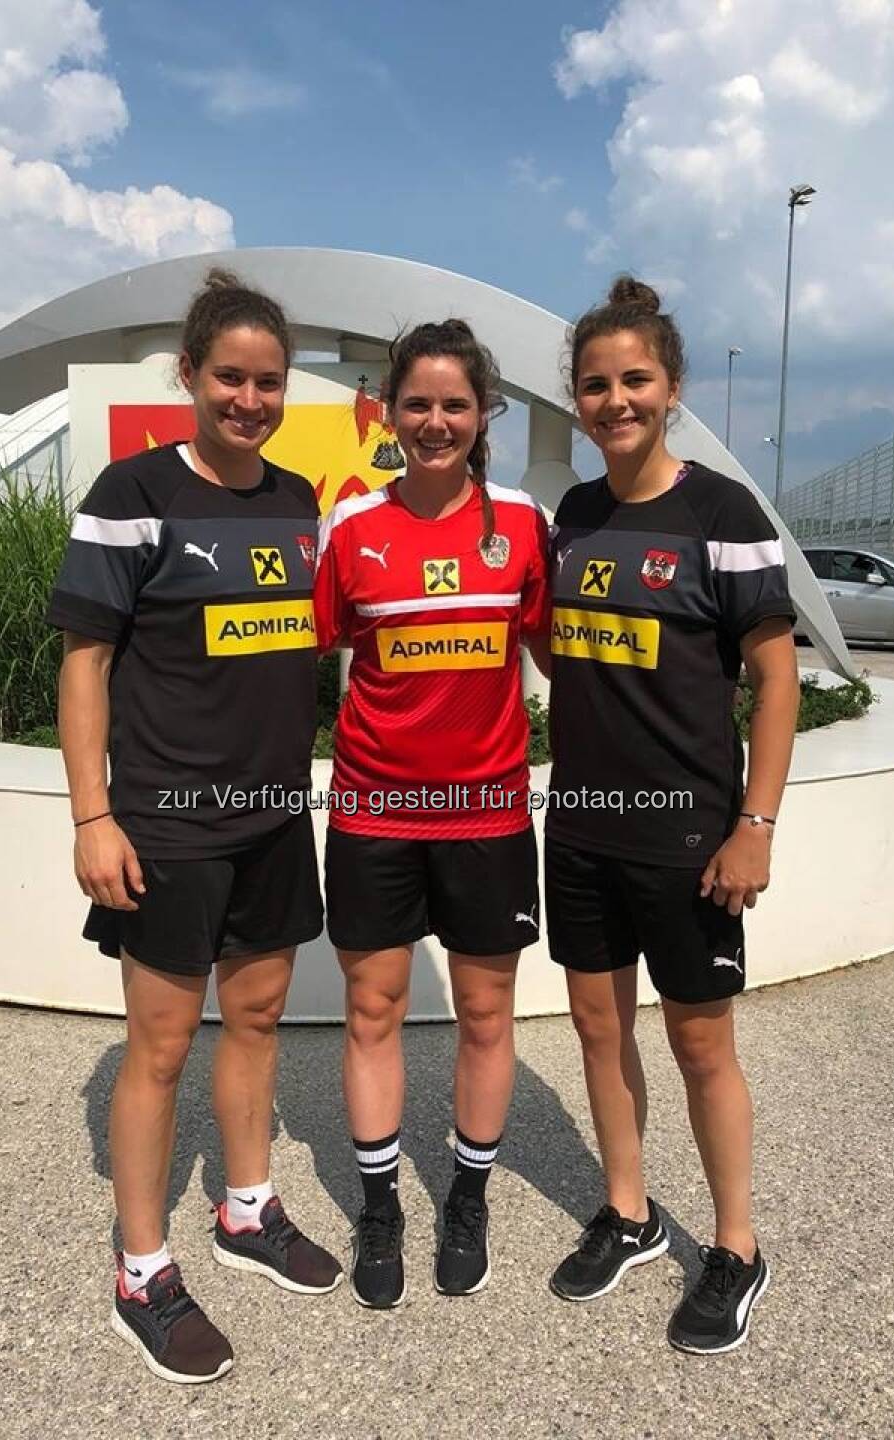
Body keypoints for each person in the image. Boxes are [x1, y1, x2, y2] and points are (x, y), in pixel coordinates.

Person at [47, 268, 341, 1386]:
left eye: (268, 382)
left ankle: (247, 1210)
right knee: (161, 1048)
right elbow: (85, 663)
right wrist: (93, 814)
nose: (249, 400)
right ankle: (141, 1272)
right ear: (189, 375)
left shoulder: (298, 501)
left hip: (273, 818)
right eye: (230, 377)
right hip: (166, 824)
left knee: (257, 1020)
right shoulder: (131, 492)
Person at [542, 277, 799, 1354]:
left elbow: (776, 680)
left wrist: (755, 826)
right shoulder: (574, 515)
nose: (616, 401)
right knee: (599, 1030)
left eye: (635, 380)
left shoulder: (722, 515)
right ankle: (631, 1212)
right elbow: (559, 645)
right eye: (596, 385)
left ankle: (736, 1246)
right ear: (578, 399)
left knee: (701, 1044)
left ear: (673, 387)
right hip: (581, 826)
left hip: (690, 835)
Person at [312, 319, 550, 1308]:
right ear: (388, 412)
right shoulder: (350, 528)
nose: (436, 421)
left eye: (456, 403)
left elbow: (564, 656)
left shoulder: (525, 524)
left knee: (486, 1015)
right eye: (418, 403)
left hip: (488, 816)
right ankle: (380, 1210)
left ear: (484, 413)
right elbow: (305, 655)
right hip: (374, 812)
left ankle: (467, 1198)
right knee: (373, 1011)